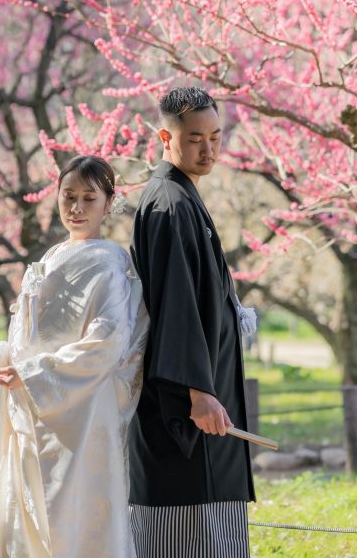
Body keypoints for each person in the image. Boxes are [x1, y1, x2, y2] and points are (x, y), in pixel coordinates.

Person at [0, 154, 148, 558]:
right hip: (35, 401)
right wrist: (0, 353)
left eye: (88, 198)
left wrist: (28, 372)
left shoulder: (112, 263)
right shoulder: (48, 258)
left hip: (82, 411)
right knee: (27, 513)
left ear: (108, 202)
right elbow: (32, 336)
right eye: (68, 197)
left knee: (77, 515)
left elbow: (107, 343)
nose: (76, 208)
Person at [129, 87, 255, 558]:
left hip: (206, 400)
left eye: (216, 137)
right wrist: (197, 392)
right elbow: (175, 306)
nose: (208, 150)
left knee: (214, 529)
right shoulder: (167, 203)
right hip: (187, 407)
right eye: (195, 138)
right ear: (166, 136)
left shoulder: (184, 197)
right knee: (187, 535)